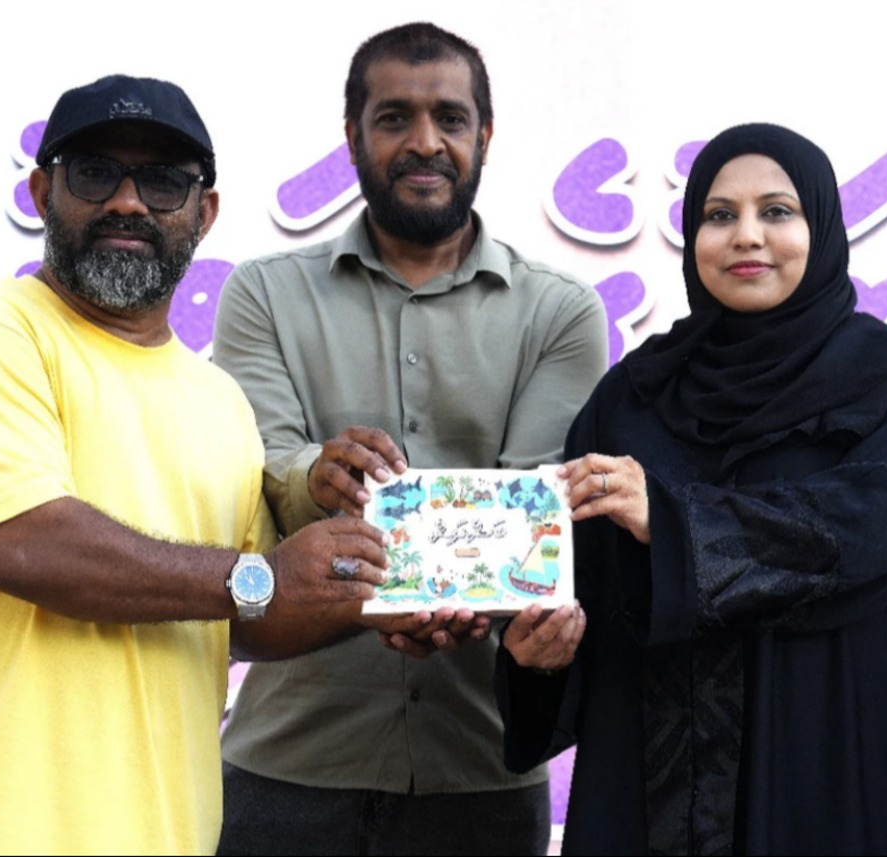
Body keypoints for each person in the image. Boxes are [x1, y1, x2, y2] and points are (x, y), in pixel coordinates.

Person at [0, 75, 388, 855]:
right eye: (95, 173)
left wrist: (392, 592)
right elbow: (28, 544)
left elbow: (248, 613)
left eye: (163, 181)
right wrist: (263, 576)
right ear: (42, 193)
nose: (128, 202)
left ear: (204, 212)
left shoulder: (219, 399)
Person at [496, 123, 887, 854]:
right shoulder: (632, 395)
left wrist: (673, 521)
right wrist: (538, 657)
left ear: (821, 226)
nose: (747, 235)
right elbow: (583, 589)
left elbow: (872, 532)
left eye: (777, 211)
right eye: (719, 215)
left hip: (834, 756)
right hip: (651, 774)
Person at [212, 22, 608, 856]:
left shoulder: (560, 312)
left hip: (481, 769)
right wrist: (314, 474)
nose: (424, 142)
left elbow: (532, 517)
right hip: (288, 768)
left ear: (484, 136)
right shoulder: (264, 296)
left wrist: (443, 584)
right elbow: (258, 478)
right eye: (394, 117)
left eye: (450, 118)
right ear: (352, 136)